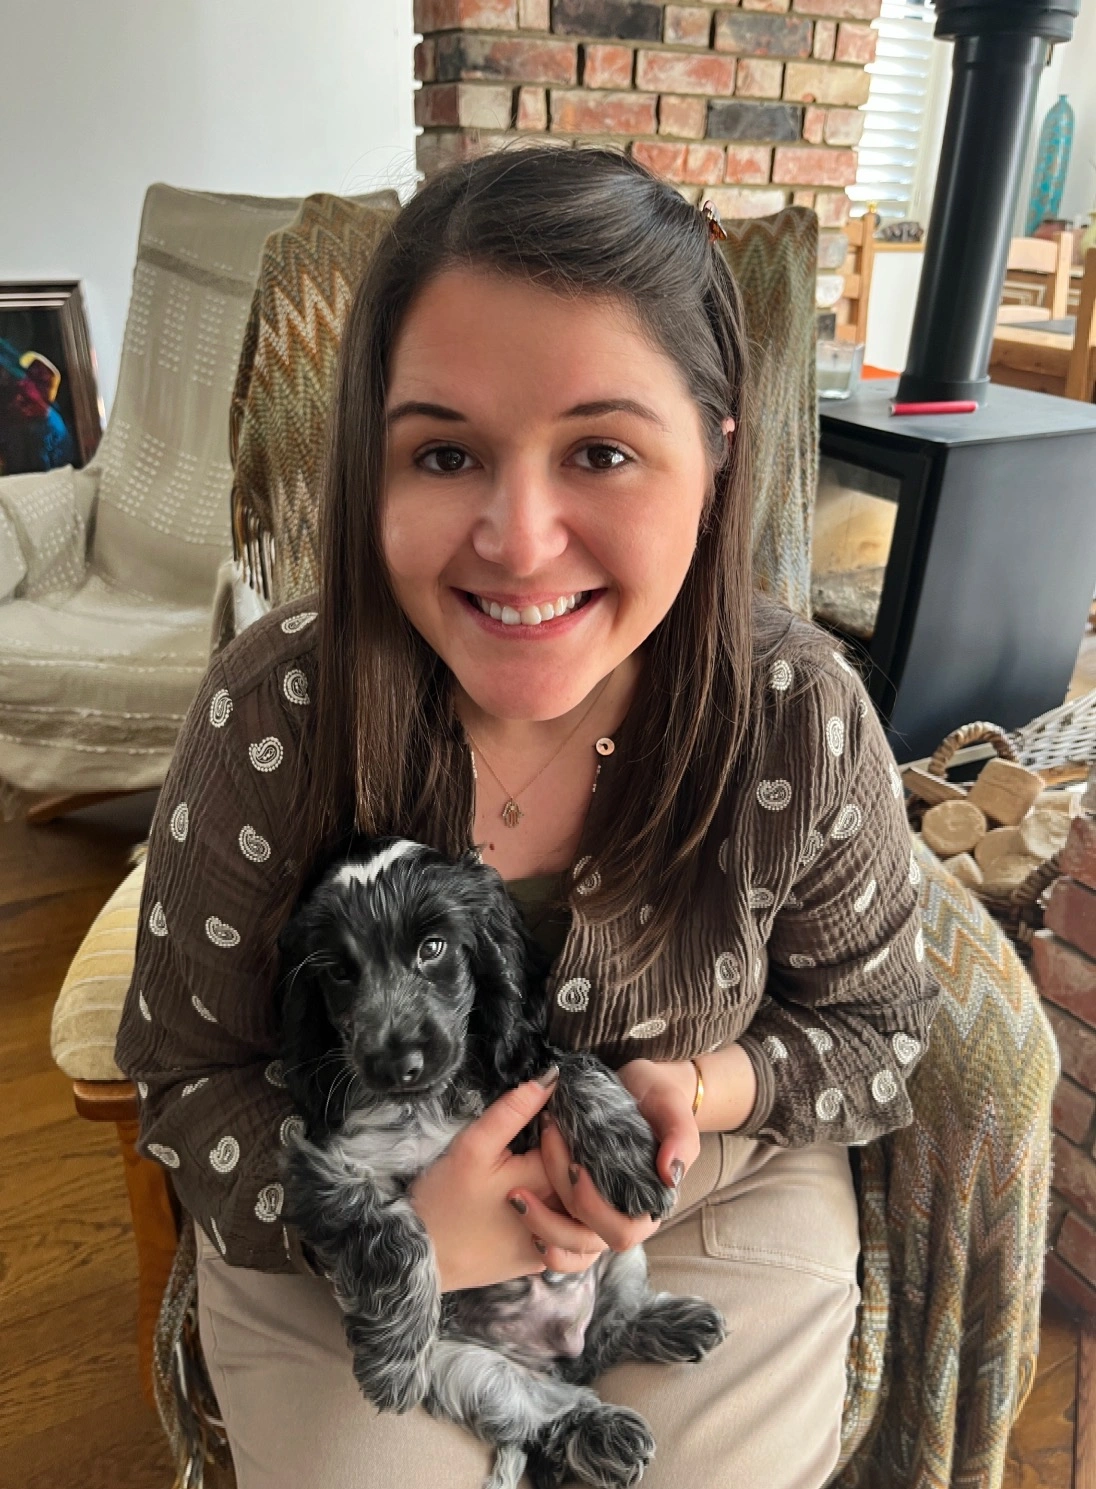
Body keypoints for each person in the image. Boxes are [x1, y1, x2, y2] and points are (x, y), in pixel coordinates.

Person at [116, 146, 939, 1489]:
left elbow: (884, 1029)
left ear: (719, 459)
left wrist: (709, 1087)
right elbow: (187, 1074)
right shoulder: (274, 712)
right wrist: (394, 1224)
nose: (516, 536)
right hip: (360, 1201)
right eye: (445, 452)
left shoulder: (802, 714)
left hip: (703, 1187)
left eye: (602, 450)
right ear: (367, 465)